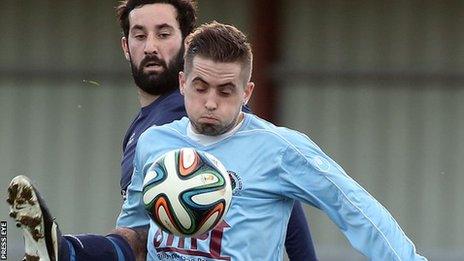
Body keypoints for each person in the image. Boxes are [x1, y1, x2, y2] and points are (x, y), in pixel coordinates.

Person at [6, 1, 317, 260]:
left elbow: (280, 187)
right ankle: (64, 250)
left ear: (188, 42)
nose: (151, 47)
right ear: (126, 47)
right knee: (135, 236)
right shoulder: (143, 133)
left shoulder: (209, 117)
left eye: (164, 34)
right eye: (139, 36)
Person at [118, 21, 428, 260]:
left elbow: (354, 208)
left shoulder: (279, 150)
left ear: (246, 93)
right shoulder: (154, 142)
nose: (211, 102)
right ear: (183, 83)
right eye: (201, 87)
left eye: (225, 91)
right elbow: (132, 231)